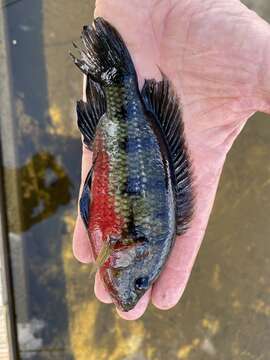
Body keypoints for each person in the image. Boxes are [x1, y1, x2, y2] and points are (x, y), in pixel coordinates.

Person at [72, 0, 270, 320]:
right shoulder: (120, 241)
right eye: (140, 282)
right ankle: (115, 76)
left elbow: (88, 201)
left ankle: (112, 77)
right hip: (133, 132)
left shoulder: (126, 243)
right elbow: (88, 200)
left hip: (117, 133)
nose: (127, 294)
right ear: (131, 249)